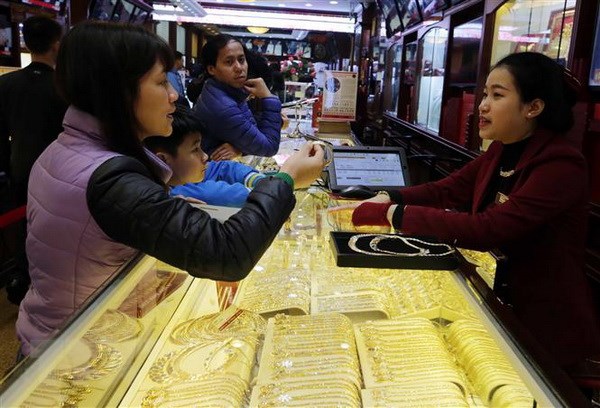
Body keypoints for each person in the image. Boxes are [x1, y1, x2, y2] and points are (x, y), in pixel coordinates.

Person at [16, 21, 324, 357]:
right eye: (162, 82)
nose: (174, 95)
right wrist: (286, 179)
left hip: (61, 334)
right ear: (119, 91)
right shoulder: (108, 179)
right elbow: (226, 254)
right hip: (75, 357)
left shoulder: (67, 148)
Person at [338, 52, 600, 370]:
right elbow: (445, 190)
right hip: (499, 301)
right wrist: (385, 196)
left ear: (533, 107)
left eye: (497, 95)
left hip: (545, 325)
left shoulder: (560, 164)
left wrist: (393, 214)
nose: (483, 105)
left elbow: (487, 228)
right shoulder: (502, 150)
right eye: (485, 93)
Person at [0, 16, 67, 305]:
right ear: (57, 44)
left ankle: (20, 276)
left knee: (23, 227)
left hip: (18, 167)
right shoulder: (64, 87)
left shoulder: (6, 83)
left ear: (26, 43)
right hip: (58, 171)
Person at [144, 105, 266, 207]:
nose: (205, 156)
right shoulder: (170, 198)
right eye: (195, 149)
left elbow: (217, 168)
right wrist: (266, 191)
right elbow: (217, 195)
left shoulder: (172, 177)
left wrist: (253, 178)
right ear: (163, 160)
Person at [193, 34, 282, 161]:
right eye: (229, 62)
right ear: (212, 69)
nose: (239, 68)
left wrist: (240, 148)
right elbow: (269, 147)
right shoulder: (223, 107)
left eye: (241, 60)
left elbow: (249, 128)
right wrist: (268, 97)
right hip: (211, 174)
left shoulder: (227, 90)